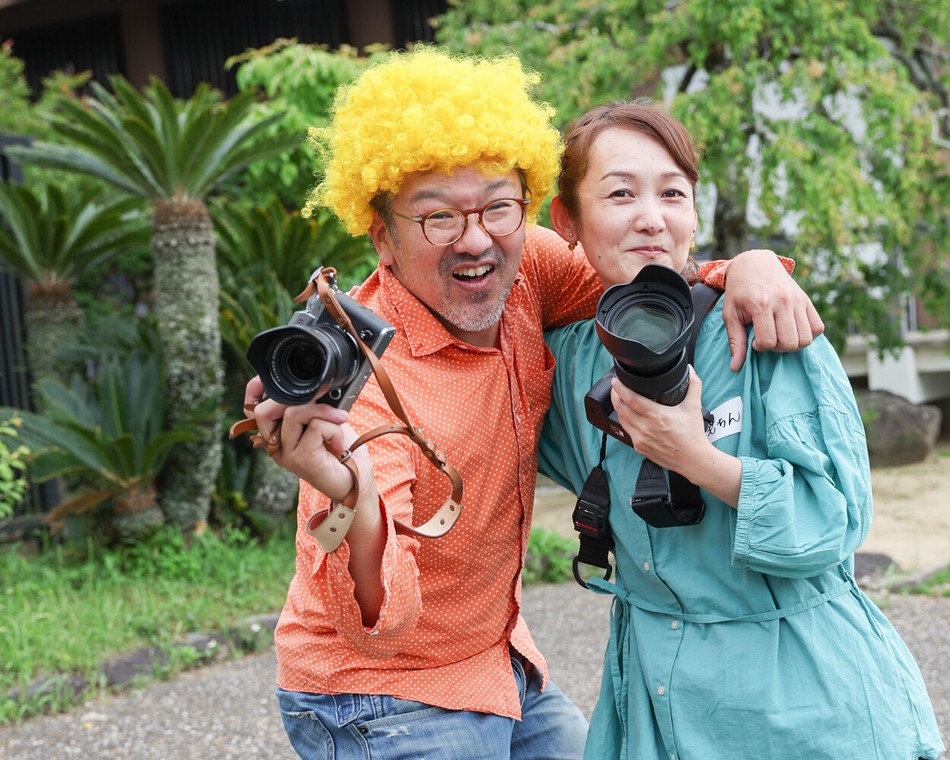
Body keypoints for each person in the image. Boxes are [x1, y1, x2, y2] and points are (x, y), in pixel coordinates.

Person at [241, 48, 824, 759]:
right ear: (380, 236)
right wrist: (345, 489)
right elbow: (378, 626)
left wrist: (753, 266)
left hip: (498, 664)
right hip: (376, 692)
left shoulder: (530, 269)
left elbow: (644, 273)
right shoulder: (360, 388)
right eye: (437, 219)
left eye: (496, 206)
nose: (477, 238)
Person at [538, 101, 946, 759]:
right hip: (657, 708)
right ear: (569, 221)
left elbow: (834, 519)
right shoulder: (567, 362)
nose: (651, 216)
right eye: (619, 194)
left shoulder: (764, 326)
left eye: (673, 192)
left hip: (805, 707)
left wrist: (696, 457)